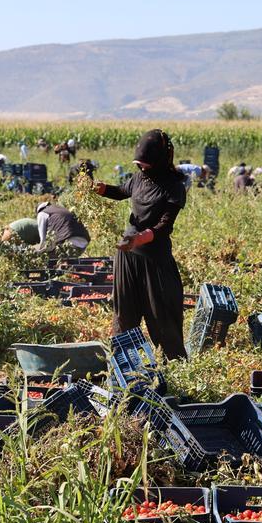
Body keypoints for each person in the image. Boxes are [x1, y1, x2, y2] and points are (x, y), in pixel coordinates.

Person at [95, 129, 187, 359]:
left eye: (146, 164)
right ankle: (125, 367)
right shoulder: (139, 178)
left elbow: (165, 225)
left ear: (161, 159)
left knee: (162, 314)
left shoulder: (174, 186)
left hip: (154, 258)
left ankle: (173, 366)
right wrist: (101, 189)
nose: (142, 168)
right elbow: (120, 192)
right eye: (139, 164)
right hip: (128, 255)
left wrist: (140, 238)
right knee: (124, 313)